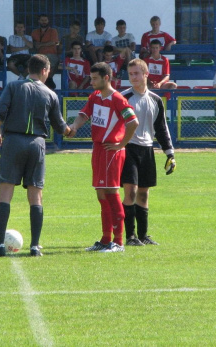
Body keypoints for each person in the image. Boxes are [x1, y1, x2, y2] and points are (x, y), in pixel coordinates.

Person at [0, 54, 73, 257]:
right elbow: (60, 126)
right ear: (44, 70)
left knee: (5, 192)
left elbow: (0, 112)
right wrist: (71, 130)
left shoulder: (14, 87)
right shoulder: (50, 94)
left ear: (28, 70)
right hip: (37, 144)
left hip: (13, 141)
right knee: (36, 195)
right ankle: (35, 247)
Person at [68, 62, 138, 253]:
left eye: (95, 78)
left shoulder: (118, 99)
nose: (91, 82)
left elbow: (133, 122)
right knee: (101, 194)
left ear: (106, 78)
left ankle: (119, 242)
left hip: (111, 151)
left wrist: (121, 145)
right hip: (98, 149)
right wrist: (74, 127)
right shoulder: (95, 96)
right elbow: (84, 114)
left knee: (111, 193)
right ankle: (106, 239)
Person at [121, 58, 176, 246]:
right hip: (128, 149)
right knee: (131, 192)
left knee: (144, 194)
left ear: (146, 74)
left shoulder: (155, 100)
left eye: (137, 73)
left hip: (147, 149)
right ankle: (130, 236)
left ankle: (143, 235)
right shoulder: (124, 98)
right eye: (130, 74)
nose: (133, 77)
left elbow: (161, 128)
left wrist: (170, 153)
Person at [31, 14, 60, 89]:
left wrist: (40, 45)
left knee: (50, 63)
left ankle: (46, 80)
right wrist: (42, 44)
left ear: (48, 21)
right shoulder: (34, 32)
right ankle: (48, 81)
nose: (44, 22)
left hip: (52, 54)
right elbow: (33, 44)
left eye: (45, 20)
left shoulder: (53, 31)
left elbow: (53, 42)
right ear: (39, 21)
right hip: (39, 56)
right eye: (42, 20)